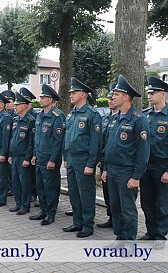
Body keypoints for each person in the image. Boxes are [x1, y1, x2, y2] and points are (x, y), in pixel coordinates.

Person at [102, 75, 150, 244]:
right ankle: (120, 237)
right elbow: (110, 147)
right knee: (115, 208)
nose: (113, 96)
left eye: (117, 93)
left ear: (126, 97)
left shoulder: (138, 119)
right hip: (113, 170)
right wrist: (106, 168)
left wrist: (136, 176)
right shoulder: (115, 118)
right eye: (113, 94)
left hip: (126, 172)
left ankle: (129, 241)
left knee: (127, 209)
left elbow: (143, 152)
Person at [62, 78, 102, 238]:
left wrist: (91, 163)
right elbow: (67, 137)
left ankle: (87, 225)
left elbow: (95, 142)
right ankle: (77, 222)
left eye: (74, 92)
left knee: (86, 193)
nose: (71, 94)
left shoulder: (92, 115)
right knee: (74, 192)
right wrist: (65, 157)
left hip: (84, 160)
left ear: (83, 94)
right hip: (71, 159)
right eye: (71, 92)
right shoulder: (72, 115)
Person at [30, 84, 64, 226]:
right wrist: (34, 155)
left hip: (49, 159)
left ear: (50, 100)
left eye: (43, 97)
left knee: (50, 186)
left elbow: (58, 142)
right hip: (39, 157)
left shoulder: (57, 116)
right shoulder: (40, 116)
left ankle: (51, 213)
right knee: (40, 186)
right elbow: (36, 138)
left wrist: (53, 160)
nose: (41, 99)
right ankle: (43, 210)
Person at [140, 76, 168, 250]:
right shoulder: (145, 115)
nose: (149, 96)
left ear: (163, 94)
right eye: (148, 92)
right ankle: (150, 231)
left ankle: (160, 235)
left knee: (162, 203)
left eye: (153, 92)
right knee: (146, 201)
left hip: (162, 166)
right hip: (145, 166)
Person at [8, 92, 35, 215]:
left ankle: (25, 205)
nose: (15, 106)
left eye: (18, 105)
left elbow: (31, 142)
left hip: (24, 156)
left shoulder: (30, 121)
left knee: (24, 182)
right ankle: (18, 203)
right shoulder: (15, 120)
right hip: (15, 156)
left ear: (25, 106)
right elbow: (12, 138)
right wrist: (10, 155)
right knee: (15, 182)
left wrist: (28, 158)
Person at [97, 82, 118, 229]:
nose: (110, 100)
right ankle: (112, 218)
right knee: (108, 193)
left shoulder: (123, 118)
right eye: (109, 98)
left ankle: (120, 221)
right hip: (105, 162)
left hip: (119, 163)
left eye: (112, 98)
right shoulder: (105, 119)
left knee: (119, 196)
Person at [20, 87, 39, 207]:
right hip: (23, 150)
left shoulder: (34, 116)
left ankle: (34, 194)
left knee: (33, 176)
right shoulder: (21, 116)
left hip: (30, 150)